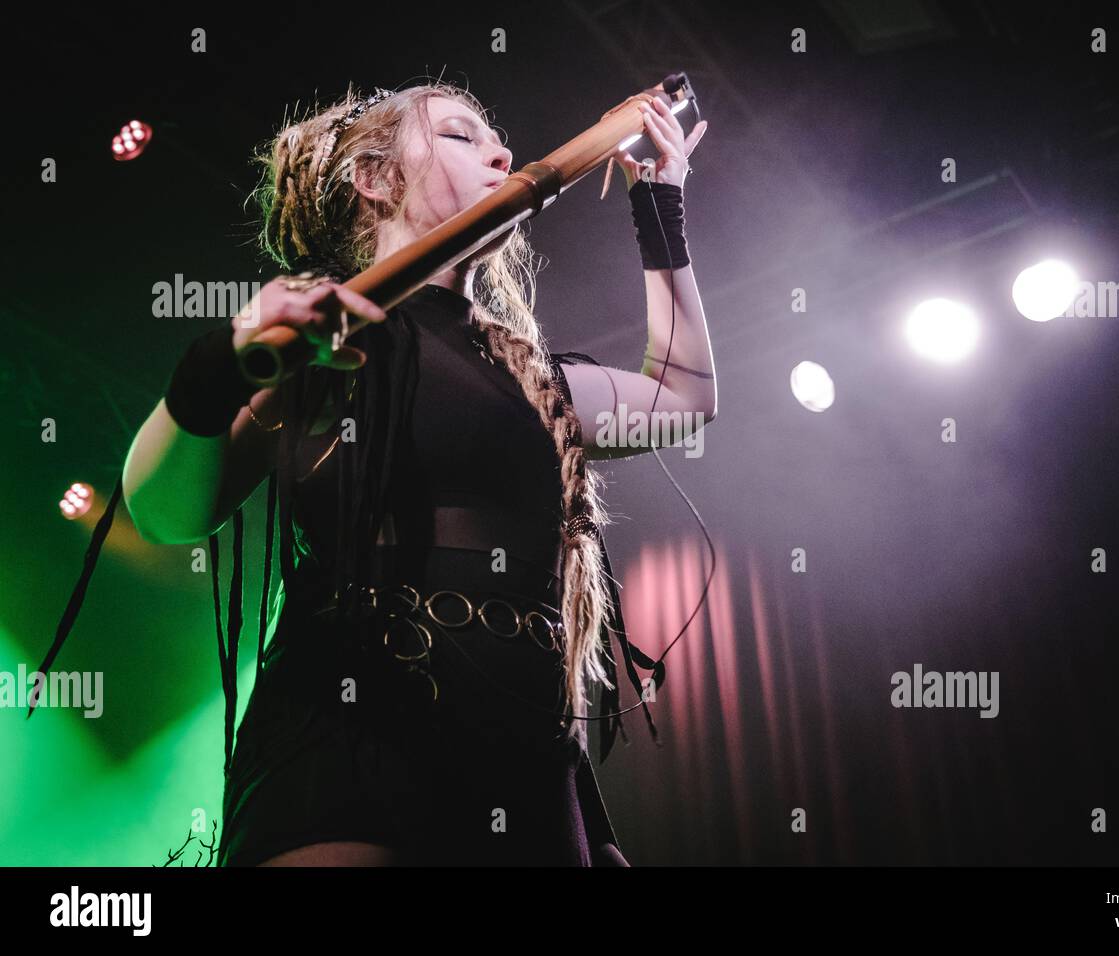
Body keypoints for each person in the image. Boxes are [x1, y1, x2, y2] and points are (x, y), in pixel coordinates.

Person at [108, 81, 716, 866]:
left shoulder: (533, 376)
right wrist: (219, 361)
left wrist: (659, 206)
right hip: (348, 726)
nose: (502, 152)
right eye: (464, 136)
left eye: (494, 137)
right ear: (373, 177)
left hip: (523, 742)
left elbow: (681, 396)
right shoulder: (319, 331)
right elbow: (164, 513)